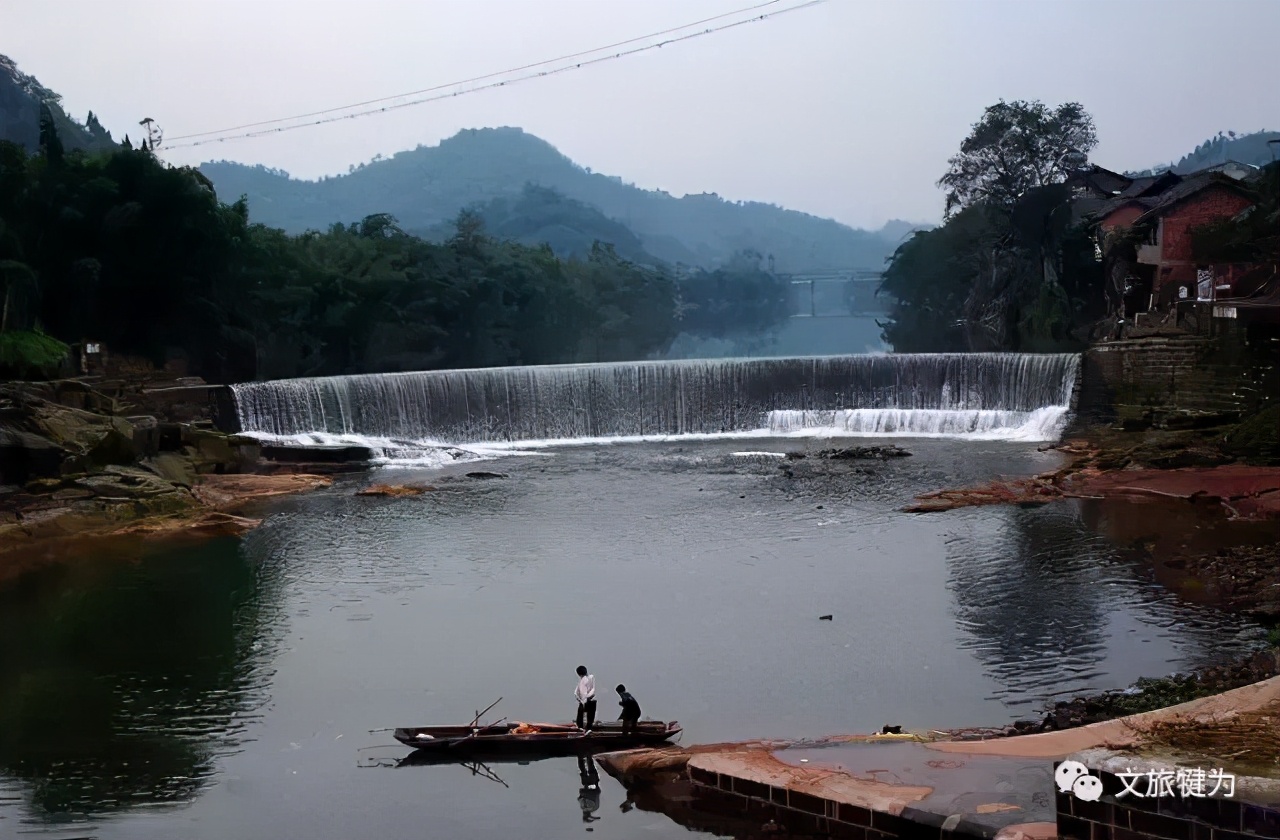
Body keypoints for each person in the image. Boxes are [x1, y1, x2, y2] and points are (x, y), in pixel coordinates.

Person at [574, 665, 596, 731]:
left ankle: (581, 729)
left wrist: (582, 699)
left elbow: (576, 693)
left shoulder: (583, 680)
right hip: (590, 700)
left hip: (586, 701)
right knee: (590, 718)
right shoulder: (591, 677)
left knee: (581, 717)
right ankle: (587, 728)